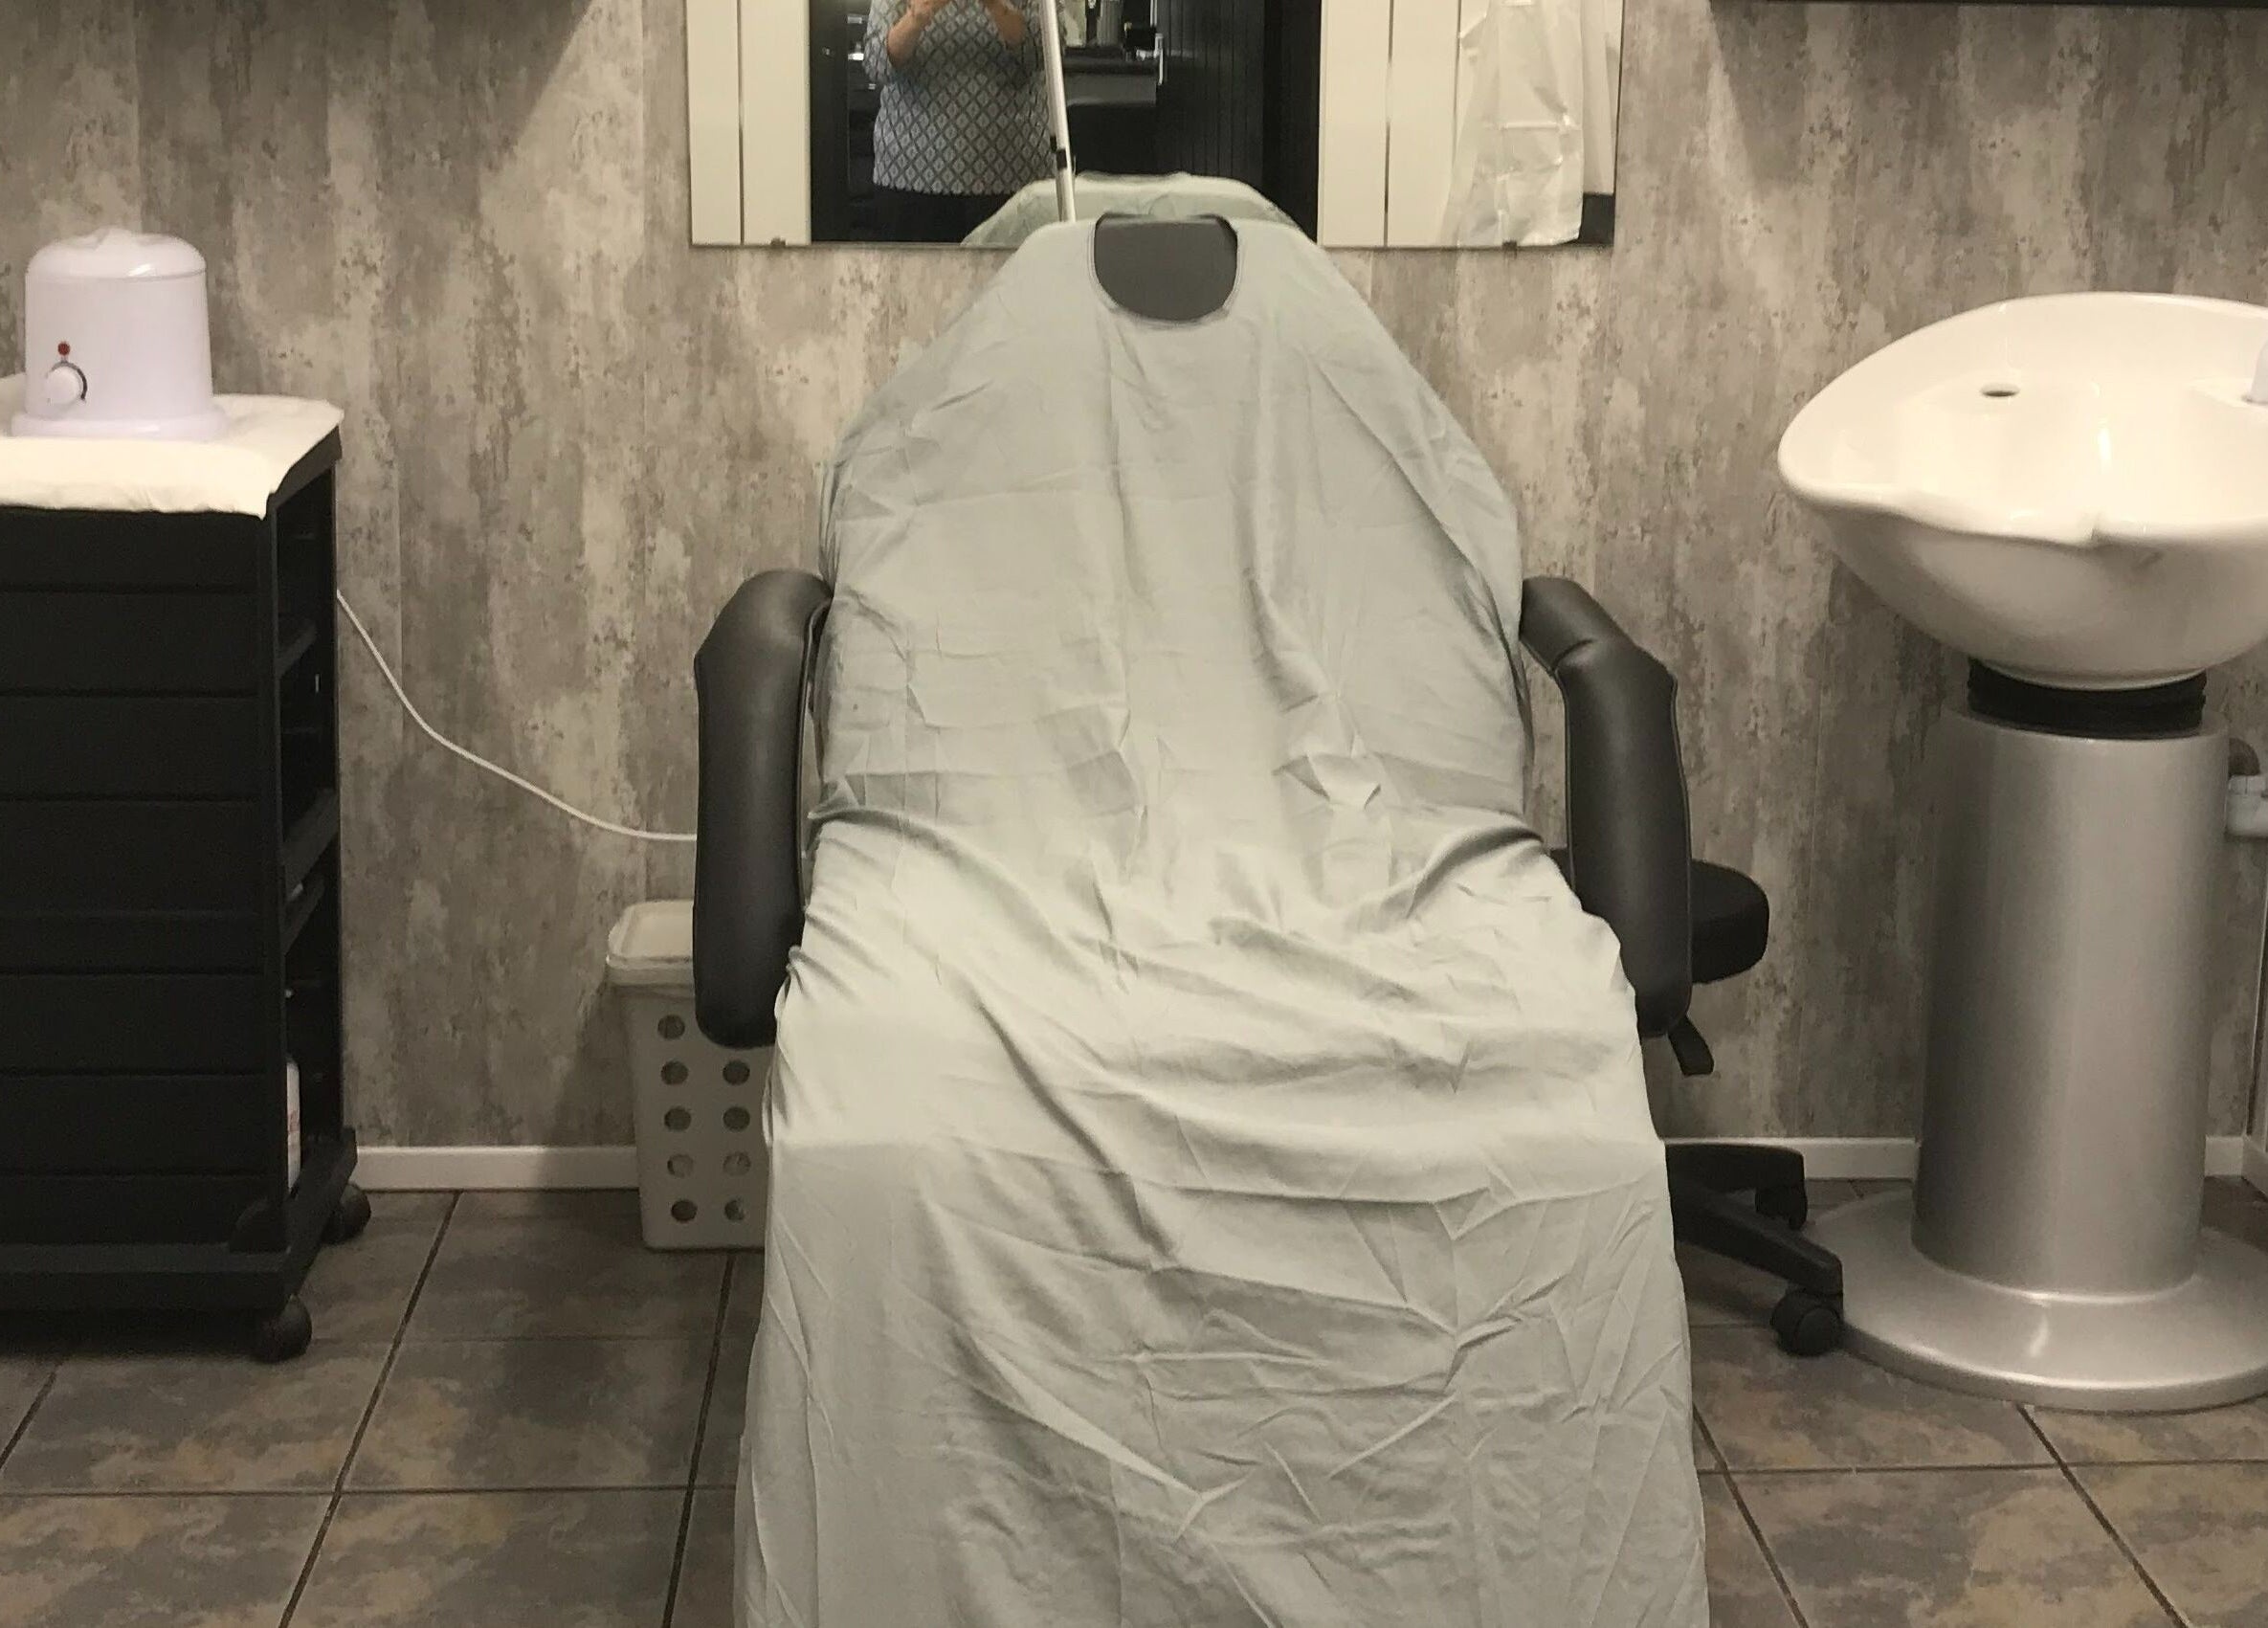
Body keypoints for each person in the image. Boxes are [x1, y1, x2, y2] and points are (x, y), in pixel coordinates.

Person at [863, 0, 1057, 243]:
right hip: (911, 177)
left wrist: (998, 7)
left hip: (1014, 179)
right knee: (912, 278)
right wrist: (916, 17)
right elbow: (876, 63)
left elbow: (1050, 53)